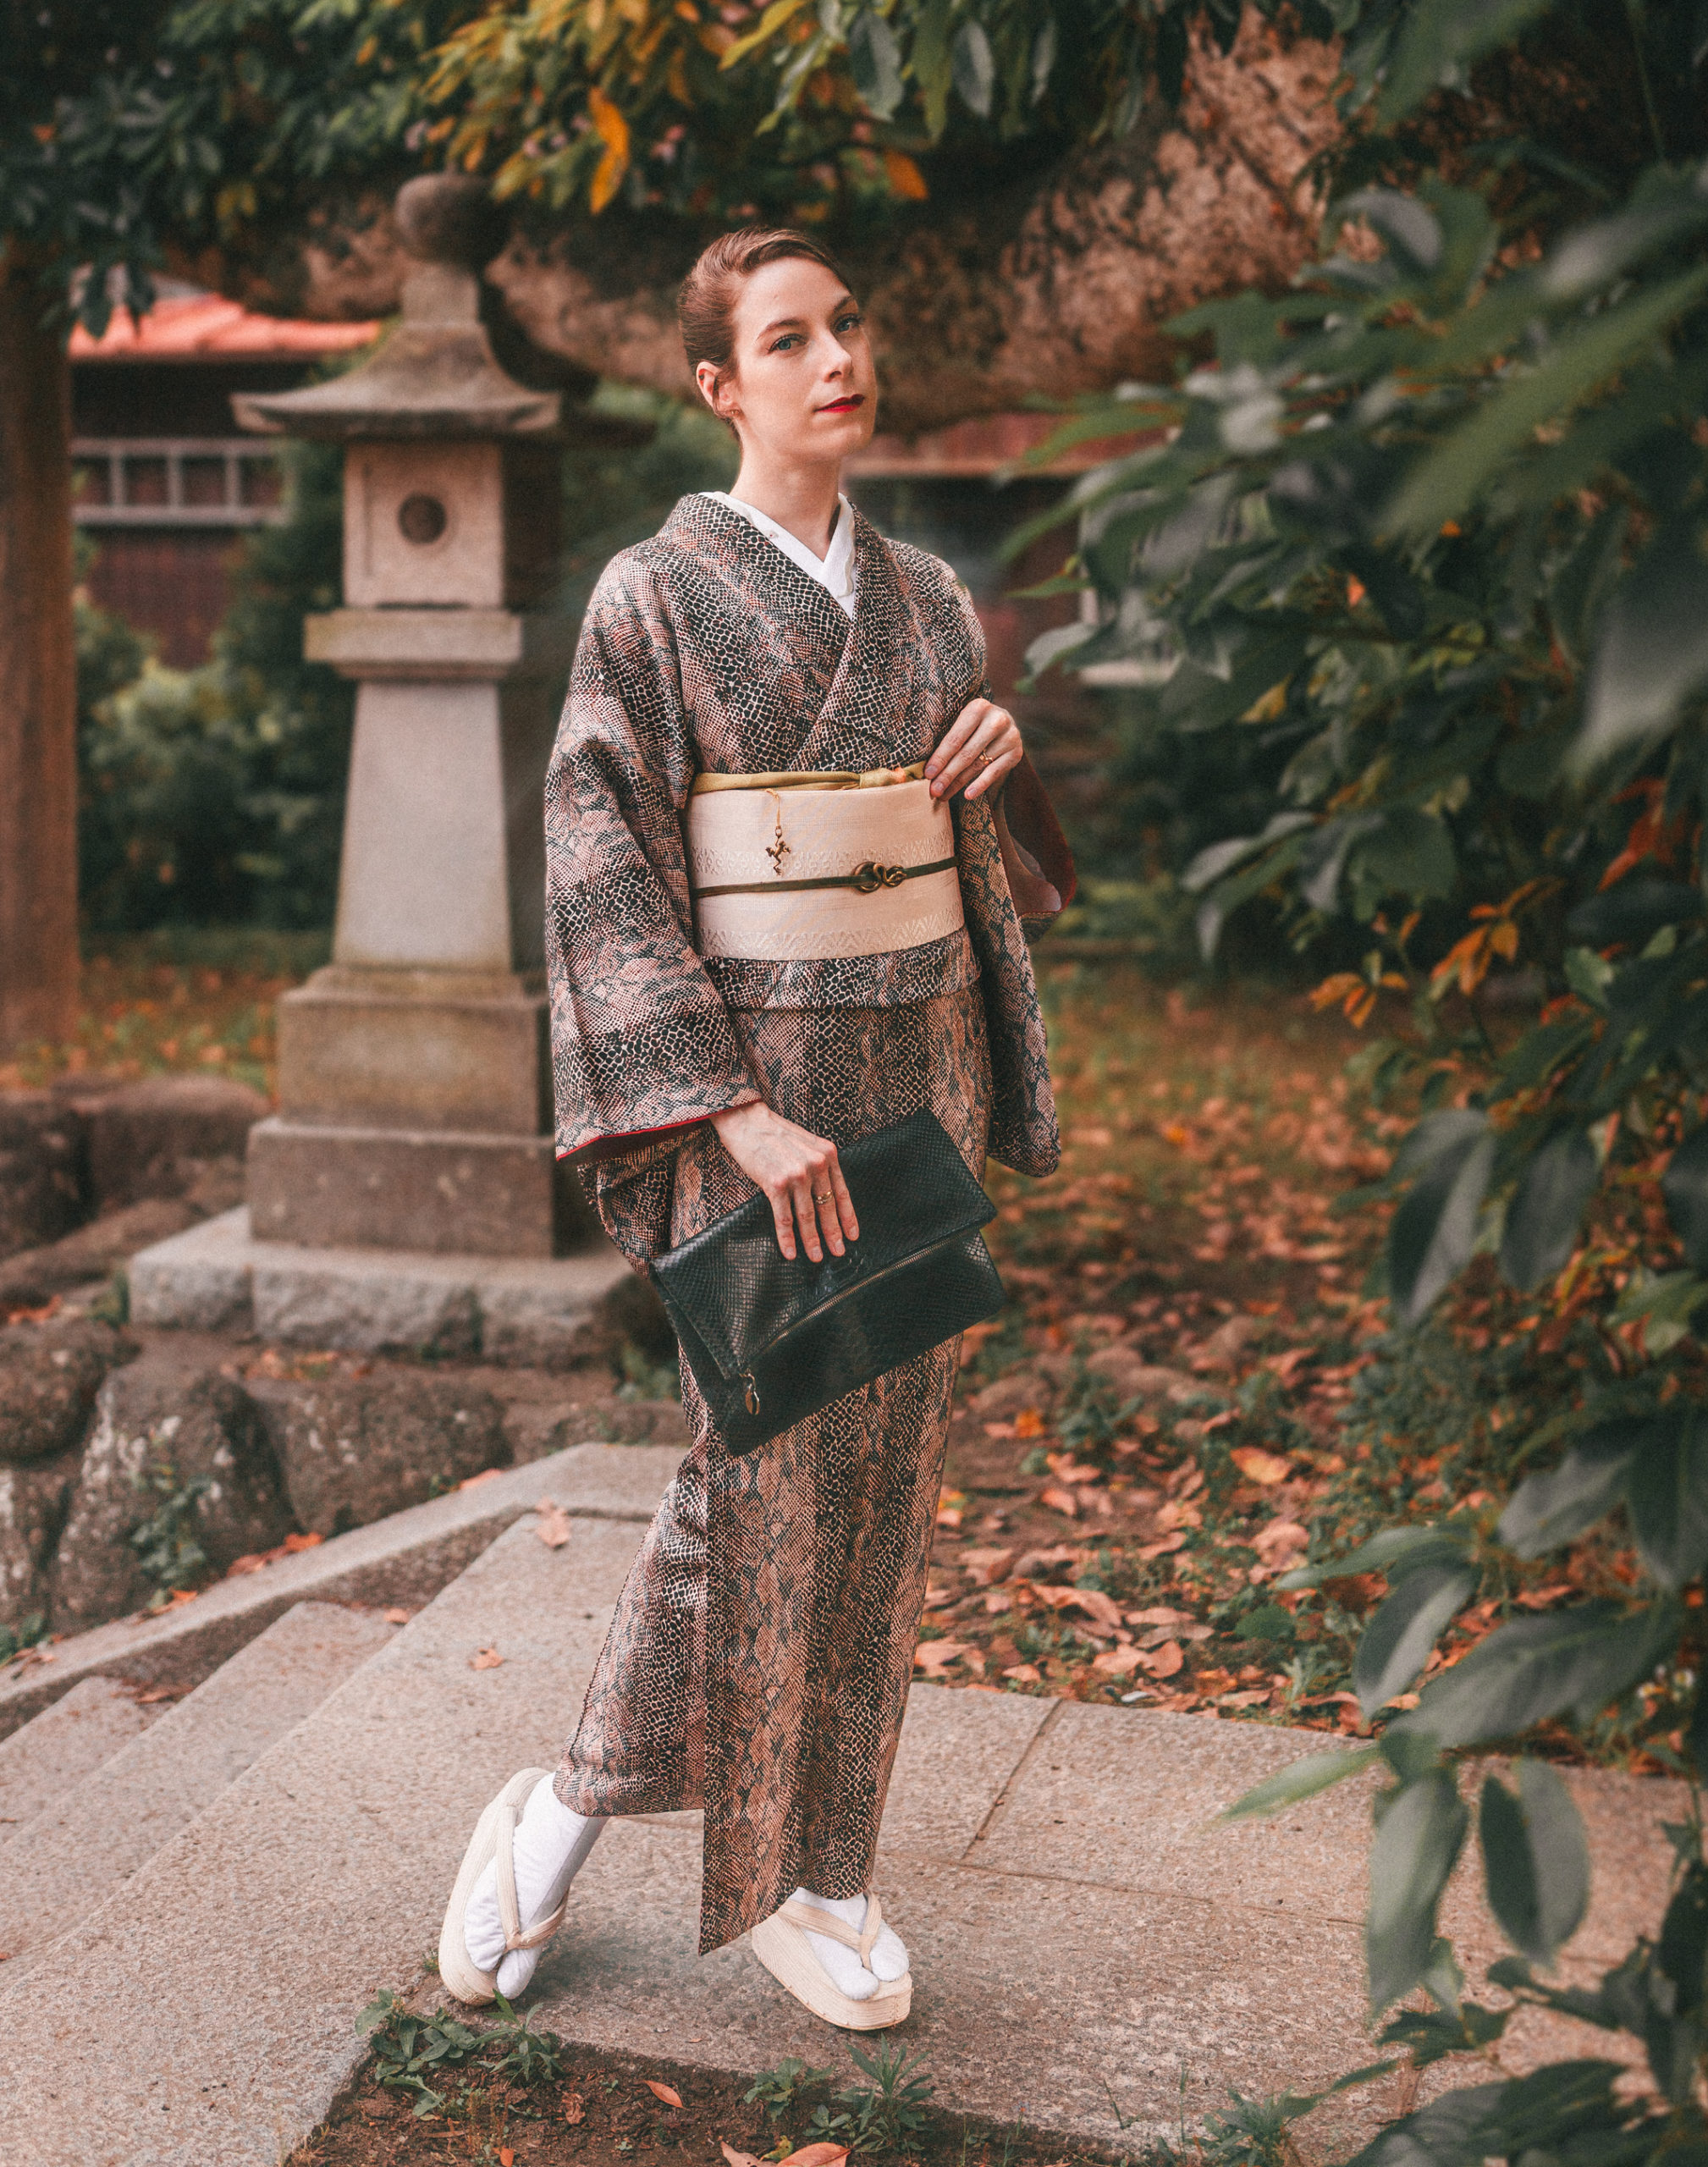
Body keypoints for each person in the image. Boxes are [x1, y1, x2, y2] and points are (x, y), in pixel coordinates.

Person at [438, 226, 1072, 2031]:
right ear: (720, 385)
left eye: (845, 326)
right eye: (786, 340)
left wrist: (1001, 757)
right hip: (758, 1099)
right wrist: (728, 1112)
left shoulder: (932, 595)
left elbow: (996, 861)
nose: (833, 359)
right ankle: (559, 1816)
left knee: (883, 1491)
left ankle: (825, 1869)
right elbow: (597, 859)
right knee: (758, 1474)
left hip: (918, 1073)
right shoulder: (650, 596)